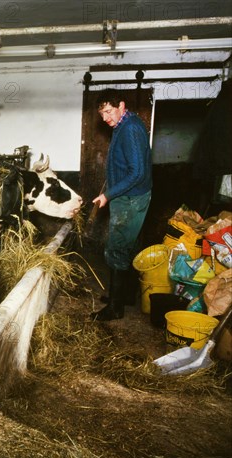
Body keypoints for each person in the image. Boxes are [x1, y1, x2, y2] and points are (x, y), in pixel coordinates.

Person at [91, 88, 152, 321]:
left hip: (130, 198)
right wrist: (108, 188)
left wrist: (109, 195)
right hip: (128, 194)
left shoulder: (130, 130)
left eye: (109, 111)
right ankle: (125, 295)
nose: (106, 119)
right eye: (102, 114)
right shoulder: (124, 125)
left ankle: (115, 308)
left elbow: (137, 172)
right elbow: (124, 166)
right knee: (130, 245)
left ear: (122, 106)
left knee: (116, 248)